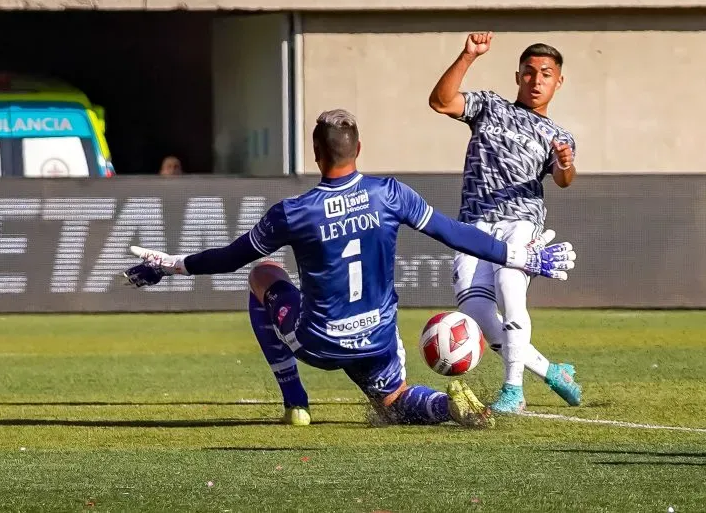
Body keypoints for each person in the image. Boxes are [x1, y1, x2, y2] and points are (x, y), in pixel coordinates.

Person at [124, 109, 576, 427]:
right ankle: (443, 408)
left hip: (321, 344)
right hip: (378, 340)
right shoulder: (390, 194)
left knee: (261, 273)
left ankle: (296, 402)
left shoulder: (294, 212)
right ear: (359, 148)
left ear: (317, 156)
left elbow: (228, 259)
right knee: (393, 402)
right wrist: (521, 257)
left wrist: (169, 266)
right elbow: (453, 233)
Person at [428, 32, 580, 414]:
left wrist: (564, 163)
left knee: (510, 286)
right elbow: (440, 102)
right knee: (476, 313)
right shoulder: (490, 106)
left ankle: (514, 390)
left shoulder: (558, 136)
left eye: (546, 74)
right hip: (475, 224)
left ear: (558, 81)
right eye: (529, 73)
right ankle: (550, 370)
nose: (536, 80)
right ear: (518, 77)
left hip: (521, 223)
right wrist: (468, 56)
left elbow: (564, 179)